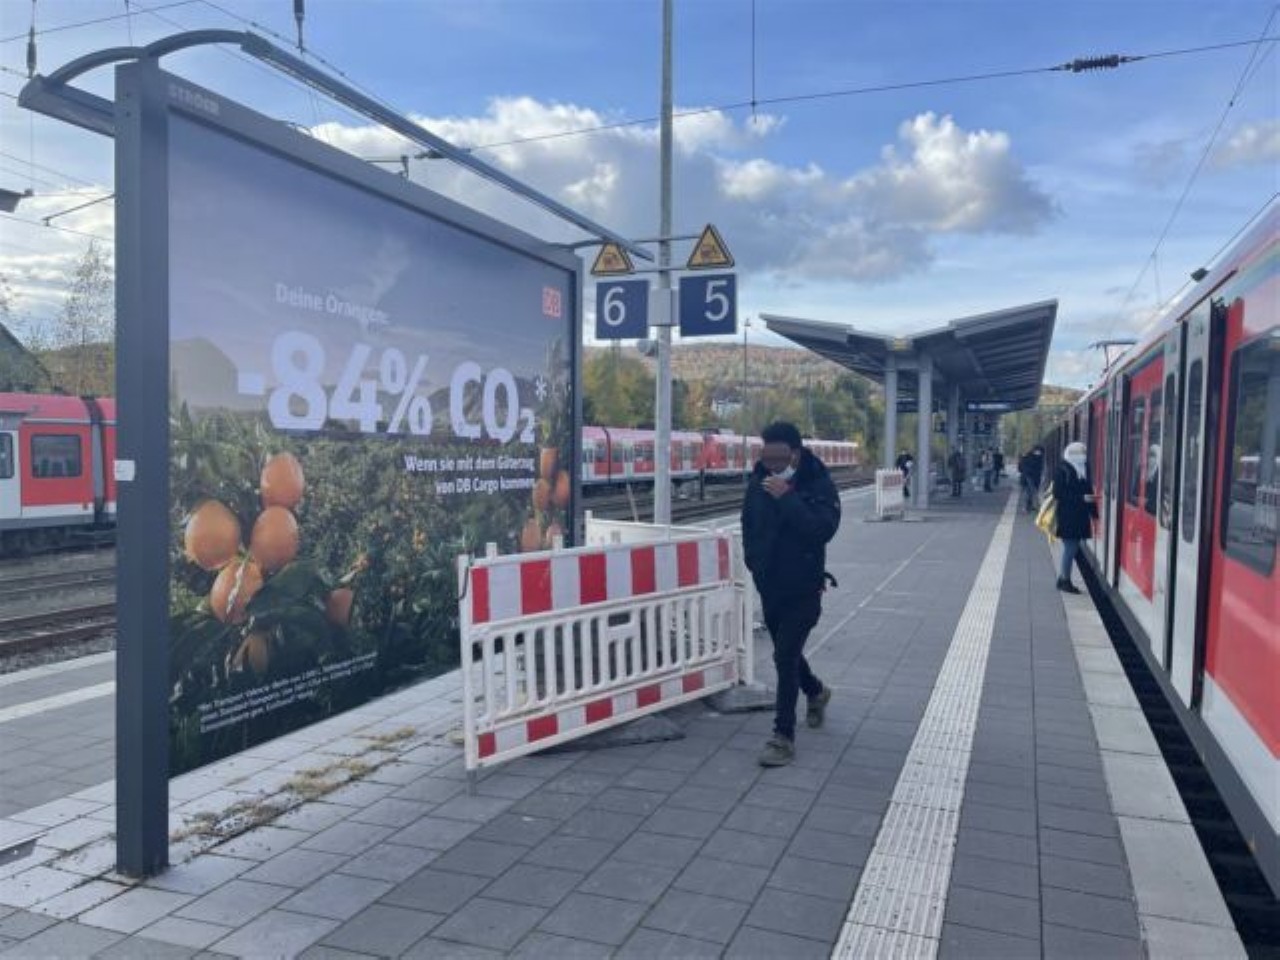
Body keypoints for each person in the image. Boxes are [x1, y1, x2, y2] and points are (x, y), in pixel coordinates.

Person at [741, 421, 842, 767]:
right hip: (770, 586)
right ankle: (815, 691)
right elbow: (748, 524)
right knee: (789, 653)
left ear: (795, 454)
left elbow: (821, 530)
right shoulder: (758, 481)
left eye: (779, 455)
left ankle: (782, 736)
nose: (771, 463)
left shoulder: (818, 483)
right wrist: (754, 564)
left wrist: (787, 497)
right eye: (766, 455)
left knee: (784, 657)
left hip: (804, 587)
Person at [1053, 441, 1097, 594]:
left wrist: (1094, 512)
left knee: (1072, 547)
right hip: (1068, 515)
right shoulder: (1062, 469)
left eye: (1083, 453)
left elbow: (1088, 489)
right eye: (1077, 453)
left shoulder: (1083, 468)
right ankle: (1065, 581)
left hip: (1080, 516)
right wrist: (1081, 498)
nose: (1082, 456)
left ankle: (1062, 578)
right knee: (1070, 548)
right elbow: (1058, 493)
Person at [1019, 446, 1044, 513]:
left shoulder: (1036, 457)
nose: (1039, 453)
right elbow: (1021, 468)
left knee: (1029, 492)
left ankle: (1029, 507)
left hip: (1030, 477)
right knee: (1031, 492)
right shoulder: (1035, 458)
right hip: (1030, 477)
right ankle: (1029, 507)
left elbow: (1020, 468)